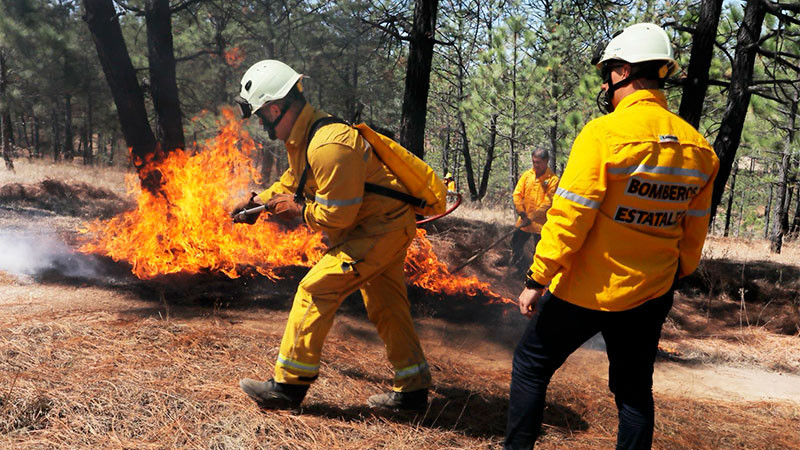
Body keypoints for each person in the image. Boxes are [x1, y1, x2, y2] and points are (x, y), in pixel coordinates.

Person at [505, 23, 719, 449]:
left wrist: (536, 279)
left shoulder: (602, 135)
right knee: (634, 392)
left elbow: (569, 218)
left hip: (585, 291)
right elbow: (694, 230)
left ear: (622, 72)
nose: (606, 84)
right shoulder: (700, 149)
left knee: (531, 364)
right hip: (651, 292)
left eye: (608, 73)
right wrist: (672, 276)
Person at [232, 60, 431, 412]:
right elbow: (293, 183)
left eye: (262, 117)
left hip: (378, 229)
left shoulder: (328, 145)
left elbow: (336, 218)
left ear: (276, 109)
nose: (263, 126)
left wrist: (297, 211)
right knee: (386, 304)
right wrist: (259, 203)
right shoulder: (305, 136)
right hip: (381, 226)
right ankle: (412, 392)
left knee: (315, 289)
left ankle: (288, 387)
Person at [509, 149, 559, 274]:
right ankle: (521, 271)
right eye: (534, 162)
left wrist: (531, 217)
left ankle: (535, 276)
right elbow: (517, 194)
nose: (535, 165)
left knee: (539, 251)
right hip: (524, 220)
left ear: (546, 161)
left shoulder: (552, 180)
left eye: (538, 162)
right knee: (515, 244)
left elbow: (548, 202)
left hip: (541, 225)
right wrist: (521, 212)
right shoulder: (527, 175)